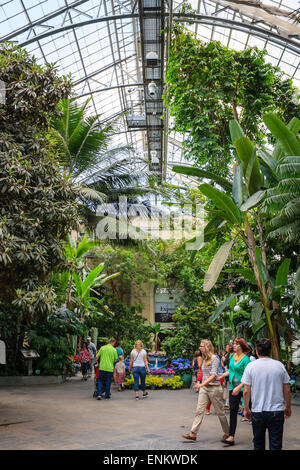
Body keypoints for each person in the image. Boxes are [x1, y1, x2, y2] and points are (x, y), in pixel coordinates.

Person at [242, 338, 291, 451]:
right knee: (276, 445)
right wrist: (287, 406)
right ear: (270, 350)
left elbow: (246, 391)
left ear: (257, 351)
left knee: (258, 445)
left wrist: (246, 408)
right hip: (276, 412)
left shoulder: (251, 366)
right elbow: (287, 389)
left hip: (257, 412)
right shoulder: (279, 366)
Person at [182, 339, 229, 442]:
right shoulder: (204, 358)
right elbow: (205, 374)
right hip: (204, 388)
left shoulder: (214, 358)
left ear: (207, 347)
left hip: (214, 389)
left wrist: (201, 384)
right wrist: (202, 385)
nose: (200, 348)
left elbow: (213, 375)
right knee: (199, 410)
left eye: (201, 346)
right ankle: (193, 433)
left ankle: (227, 432)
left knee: (220, 412)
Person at [220, 337, 251, 446]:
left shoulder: (246, 359)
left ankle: (257, 434)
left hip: (245, 388)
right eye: (233, 344)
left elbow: (248, 376)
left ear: (241, 346)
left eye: (236, 344)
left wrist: (240, 387)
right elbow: (230, 370)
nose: (234, 346)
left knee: (251, 412)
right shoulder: (233, 356)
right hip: (233, 388)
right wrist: (222, 375)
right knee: (233, 411)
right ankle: (231, 436)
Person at [221, 343, 234, 410]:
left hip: (231, 374)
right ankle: (227, 403)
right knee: (227, 388)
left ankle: (228, 403)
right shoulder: (227, 355)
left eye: (228, 347)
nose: (227, 348)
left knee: (229, 388)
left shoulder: (233, 355)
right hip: (226, 372)